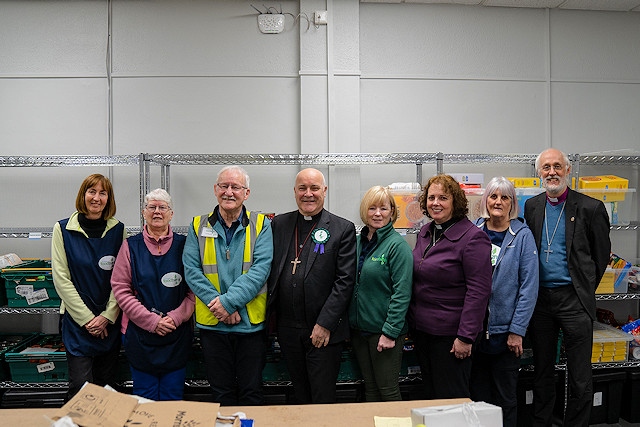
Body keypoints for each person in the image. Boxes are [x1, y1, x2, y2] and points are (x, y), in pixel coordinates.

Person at [524, 148, 611, 426]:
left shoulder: (591, 208)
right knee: (542, 371)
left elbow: (600, 258)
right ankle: (542, 422)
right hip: (541, 302)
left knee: (580, 375)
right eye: (546, 167)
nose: (552, 172)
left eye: (557, 166)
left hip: (574, 301)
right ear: (539, 173)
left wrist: (583, 289)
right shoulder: (532, 207)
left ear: (568, 170)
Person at [183, 166, 273, 406]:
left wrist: (228, 302)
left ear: (247, 193)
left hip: (250, 328)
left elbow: (261, 270)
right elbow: (192, 271)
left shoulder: (262, 225)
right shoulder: (197, 225)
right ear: (215, 189)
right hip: (214, 326)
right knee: (220, 395)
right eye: (224, 186)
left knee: (251, 393)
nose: (229, 192)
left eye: (236, 187)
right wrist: (221, 307)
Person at [267, 168, 356, 404]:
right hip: (287, 330)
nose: (308, 194)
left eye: (314, 188)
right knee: (300, 395)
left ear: (324, 191)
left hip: (322, 330)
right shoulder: (279, 224)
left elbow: (345, 281)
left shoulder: (342, 229)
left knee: (322, 397)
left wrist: (325, 324)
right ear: (295, 192)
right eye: (302, 188)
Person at [408, 174, 492, 399]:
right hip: (423, 332)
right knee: (431, 398)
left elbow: (479, 292)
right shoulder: (426, 232)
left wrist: (465, 337)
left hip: (451, 337)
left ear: (455, 202)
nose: (435, 203)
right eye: (431, 197)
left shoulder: (473, 238)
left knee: (452, 401)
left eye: (443, 198)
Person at [111, 188, 194, 400]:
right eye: (152, 207)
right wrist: (151, 321)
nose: (157, 212)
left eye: (162, 207)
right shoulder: (130, 246)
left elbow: (194, 290)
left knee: (172, 397)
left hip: (176, 335)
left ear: (171, 214)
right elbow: (121, 289)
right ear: (144, 212)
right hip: (140, 337)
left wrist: (175, 318)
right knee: (144, 400)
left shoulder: (185, 246)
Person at [470, 177, 539, 427]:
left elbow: (528, 288)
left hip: (505, 336)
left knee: (505, 400)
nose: (498, 202)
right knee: (478, 400)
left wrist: (517, 331)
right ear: (486, 200)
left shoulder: (522, 237)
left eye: (505, 197)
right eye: (493, 196)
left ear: (512, 203)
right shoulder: (473, 232)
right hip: (475, 334)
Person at [51, 173, 127, 399]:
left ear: (109, 198)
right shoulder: (62, 229)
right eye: (91, 191)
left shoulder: (118, 230)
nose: (96, 198)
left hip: (109, 320)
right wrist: (88, 319)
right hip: (76, 321)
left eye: (102, 193)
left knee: (106, 387)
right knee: (80, 388)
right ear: (83, 195)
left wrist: (107, 316)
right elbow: (61, 279)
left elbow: (122, 279)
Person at [348, 186, 413, 402]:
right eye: (372, 208)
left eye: (384, 208)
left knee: (388, 390)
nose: (378, 213)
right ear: (364, 211)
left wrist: (390, 332)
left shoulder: (397, 246)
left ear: (392, 211)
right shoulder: (358, 242)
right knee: (371, 390)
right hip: (360, 330)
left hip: (383, 333)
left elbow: (402, 293)